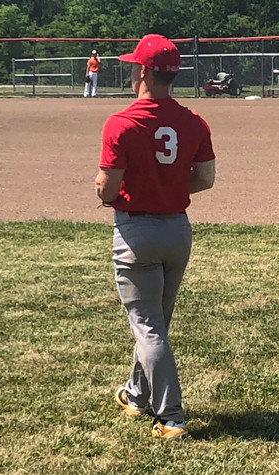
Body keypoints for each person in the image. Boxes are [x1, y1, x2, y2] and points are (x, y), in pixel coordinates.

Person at [96, 34, 216, 439]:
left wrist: (105, 192)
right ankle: (136, 394)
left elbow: (107, 187)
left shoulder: (121, 122)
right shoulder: (194, 121)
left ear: (145, 72)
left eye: (135, 66)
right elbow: (205, 178)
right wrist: (168, 189)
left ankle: (171, 416)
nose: (132, 73)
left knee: (147, 326)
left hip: (137, 232)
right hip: (177, 230)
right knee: (155, 322)